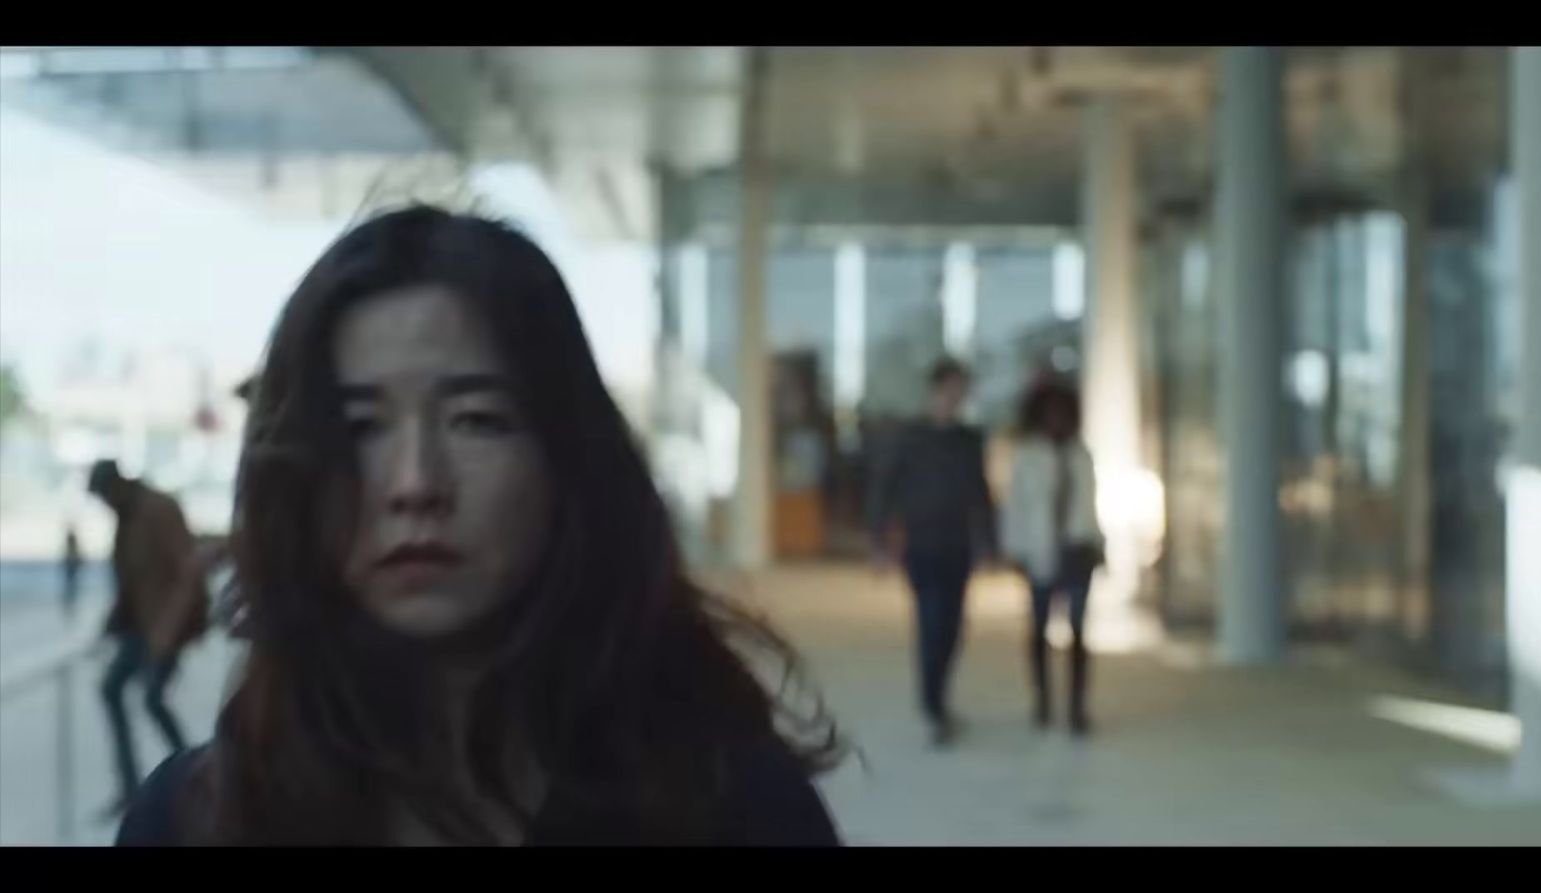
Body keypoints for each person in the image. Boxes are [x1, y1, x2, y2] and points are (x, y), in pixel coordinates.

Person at [115, 205, 844, 847]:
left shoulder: (733, 808)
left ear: (567, 461)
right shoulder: (195, 822)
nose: (415, 484)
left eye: (477, 420)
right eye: (359, 426)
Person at [867, 358, 996, 748]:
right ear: (937, 389)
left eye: (962, 389)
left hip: (958, 545)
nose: (957, 396)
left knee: (953, 627)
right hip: (921, 545)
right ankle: (932, 706)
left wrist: (988, 542)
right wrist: (878, 542)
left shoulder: (969, 440)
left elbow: (980, 493)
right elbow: (883, 489)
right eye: (952, 388)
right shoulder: (910, 437)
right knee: (931, 621)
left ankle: (939, 698)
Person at [87, 458, 210, 817]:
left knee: (153, 698)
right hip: (141, 628)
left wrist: (167, 635)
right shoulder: (125, 519)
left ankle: (194, 777)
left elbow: (187, 575)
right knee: (112, 690)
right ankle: (129, 787)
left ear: (117, 486)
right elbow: (130, 582)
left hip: (166, 627)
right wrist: (112, 622)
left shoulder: (159, 509)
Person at [1000, 379, 1102, 736]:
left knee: (1078, 630)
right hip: (1040, 550)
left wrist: (1097, 543)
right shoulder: (1028, 456)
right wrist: (1015, 549)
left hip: (1077, 550)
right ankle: (1043, 700)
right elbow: (1016, 506)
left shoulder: (1080, 454)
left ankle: (1077, 705)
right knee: (1039, 628)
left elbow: (1090, 505)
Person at [62, 526, 82, 619]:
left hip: (71, 563)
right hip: (71, 563)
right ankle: (70, 598)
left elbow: (74, 551)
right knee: (71, 582)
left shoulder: (71, 539)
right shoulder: (71, 539)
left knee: (71, 582)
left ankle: (71, 598)